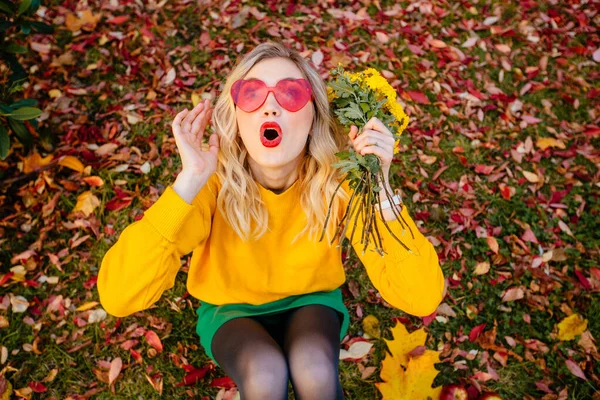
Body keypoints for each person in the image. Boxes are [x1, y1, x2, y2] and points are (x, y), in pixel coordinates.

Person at [98, 41, 446, 400]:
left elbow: (421, 298)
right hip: (228, 308)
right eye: (251, 94)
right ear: (236, 115)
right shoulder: (210, 184)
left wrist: (380, 189)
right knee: (265, 373)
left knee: (315, 369)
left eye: (291, 93)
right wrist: (186, 184)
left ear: (313, 115)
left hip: (312, 300)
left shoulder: (337, 181)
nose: (271, 106)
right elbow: (118, 297)